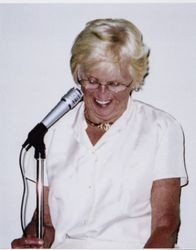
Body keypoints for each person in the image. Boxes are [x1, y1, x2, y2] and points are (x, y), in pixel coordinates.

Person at [11, 18, 188, 249]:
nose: (102, 94)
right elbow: (45, 222)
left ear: (133, 80)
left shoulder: (161, 129)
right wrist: (34, 239)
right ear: (79, 75)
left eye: (114, 84)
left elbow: (166, 226)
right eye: (92, 81)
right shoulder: (53, 132)